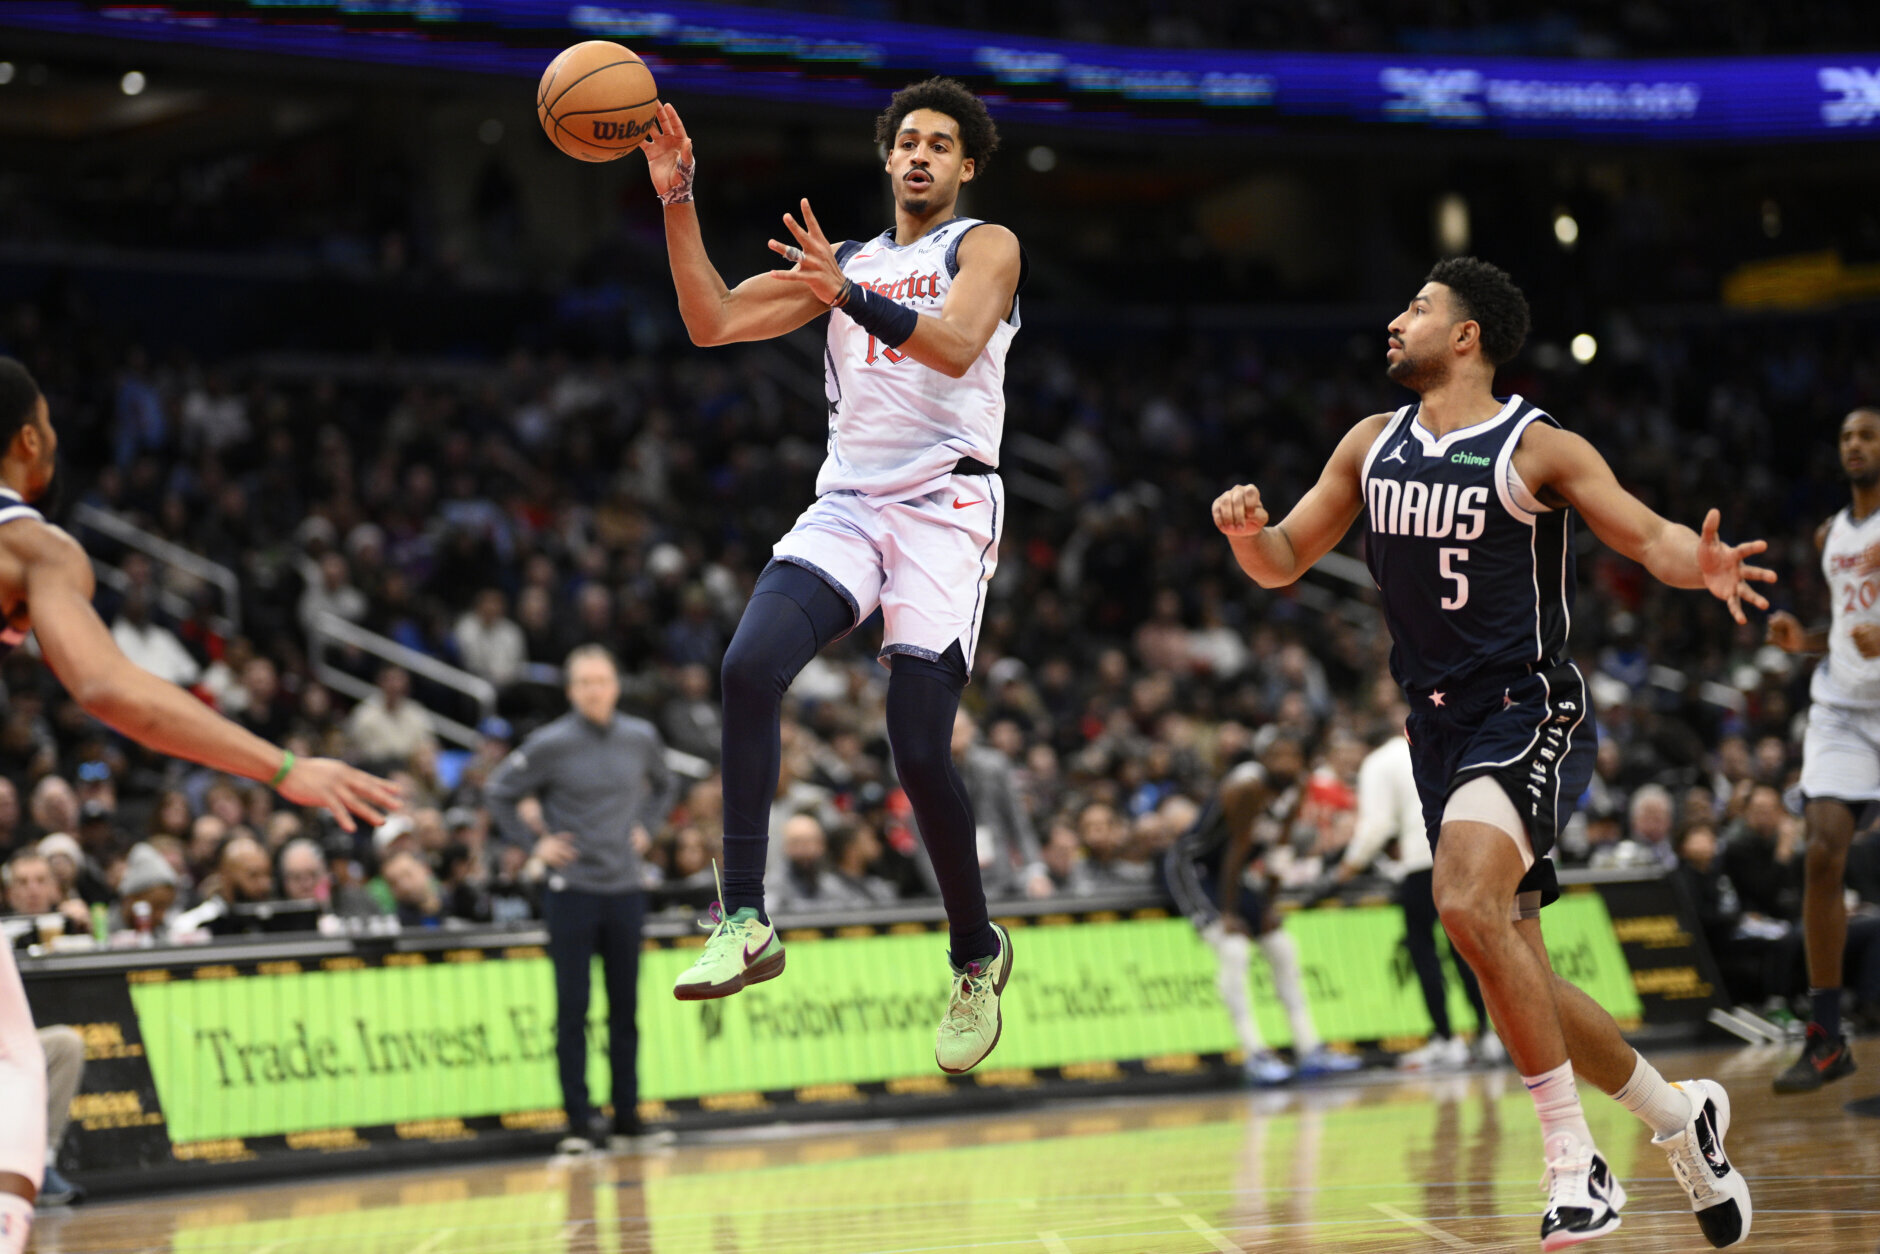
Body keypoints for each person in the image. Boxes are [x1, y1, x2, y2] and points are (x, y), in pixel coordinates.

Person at [1210, 259, 1760, 1249]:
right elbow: (1285, 560)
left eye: (1414, 308)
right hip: (1433, 725)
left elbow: (1643, 536)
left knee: (1460, 901)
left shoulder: (1534, 445)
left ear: (1465, 337)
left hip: (1524, 703)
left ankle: (1571, 1163)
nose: (1393, 320)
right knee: (1510, 967)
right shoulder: (1368, 445)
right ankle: (1679, 1122)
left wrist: (1701, 563)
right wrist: (1248, 537)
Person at [642, 77, 1026, 1075]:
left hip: (945, 508)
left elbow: (950, 348)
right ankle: (744, 918)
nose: (920, 155)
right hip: (852, 503)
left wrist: (843, 294)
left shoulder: (980, 246)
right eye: (907, 141)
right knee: (746, 666)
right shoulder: (843, 260)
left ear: (965, 167)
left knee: (913, 746)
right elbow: (712, 321)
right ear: (885, 157)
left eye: (940, 144)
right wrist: (677, 197)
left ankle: (975, 953)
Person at [0, 357, 397, 1254]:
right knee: (17, 1062)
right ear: (29, 439)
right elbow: (110, 689)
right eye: (52, 426)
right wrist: (283, 765)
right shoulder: (35, 544)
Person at [485, 645, 678, 1155]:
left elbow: (666, 784)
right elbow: (498, 791)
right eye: (585, 682)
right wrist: (536, 846)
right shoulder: (550, 743)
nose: (595, 690)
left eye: (602, 680)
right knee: (573, 1009)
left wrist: (648, 828)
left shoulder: (641, 737)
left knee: (625, 1009)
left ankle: (628, 1118)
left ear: (616, 685)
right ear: (571, 691)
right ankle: (577, 1123)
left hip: (625, 889)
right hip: (571, 893)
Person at [1763, 406, 1880, 1094]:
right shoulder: (1828, 534)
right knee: (1819, 854)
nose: (1855, 445)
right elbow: (1843, 625)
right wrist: (1800, 641)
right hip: (1841, 708)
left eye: (1867, 434)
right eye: (1846, 437)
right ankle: (1827, 1036)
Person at [1164, 759, 1361, 1087]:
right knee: (1234, 950)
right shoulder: (1247, 786)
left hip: (1234, 875)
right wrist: (1226, 914)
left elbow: (1277, 855)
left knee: (1282, 947)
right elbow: (1234, 850)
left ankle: (1309, 1048)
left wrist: (1269, 906)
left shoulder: (1295, 792)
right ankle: (1253, 1053)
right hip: (1195, 869)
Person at [1331, 707, 1495, 1071]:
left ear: (1363, 744)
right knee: (1465, 948)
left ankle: (1446, 1039)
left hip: (1423, 866)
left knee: (1423, 949)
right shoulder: (1425, 746)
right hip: (1464, 855)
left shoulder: (1377, 763)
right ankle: (1486, 1035)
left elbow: (1376, 825)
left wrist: (1345, 869)